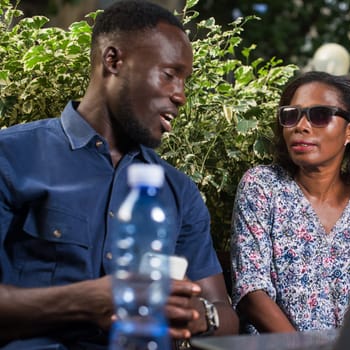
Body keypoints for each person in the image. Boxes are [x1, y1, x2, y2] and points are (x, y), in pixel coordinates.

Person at [0, 0, 238, 348]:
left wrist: (199, 316)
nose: (181, 95)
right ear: (114, 61)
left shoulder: (177, 190)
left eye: (184, 80)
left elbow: (224, 314)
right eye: (169, 74)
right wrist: (86, 300)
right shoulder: (12, 157)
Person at [230, 71, 350, 334]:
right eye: (291, 115)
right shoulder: (263, 186)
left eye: (320, 115)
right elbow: (251, 291)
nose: (301, 126)